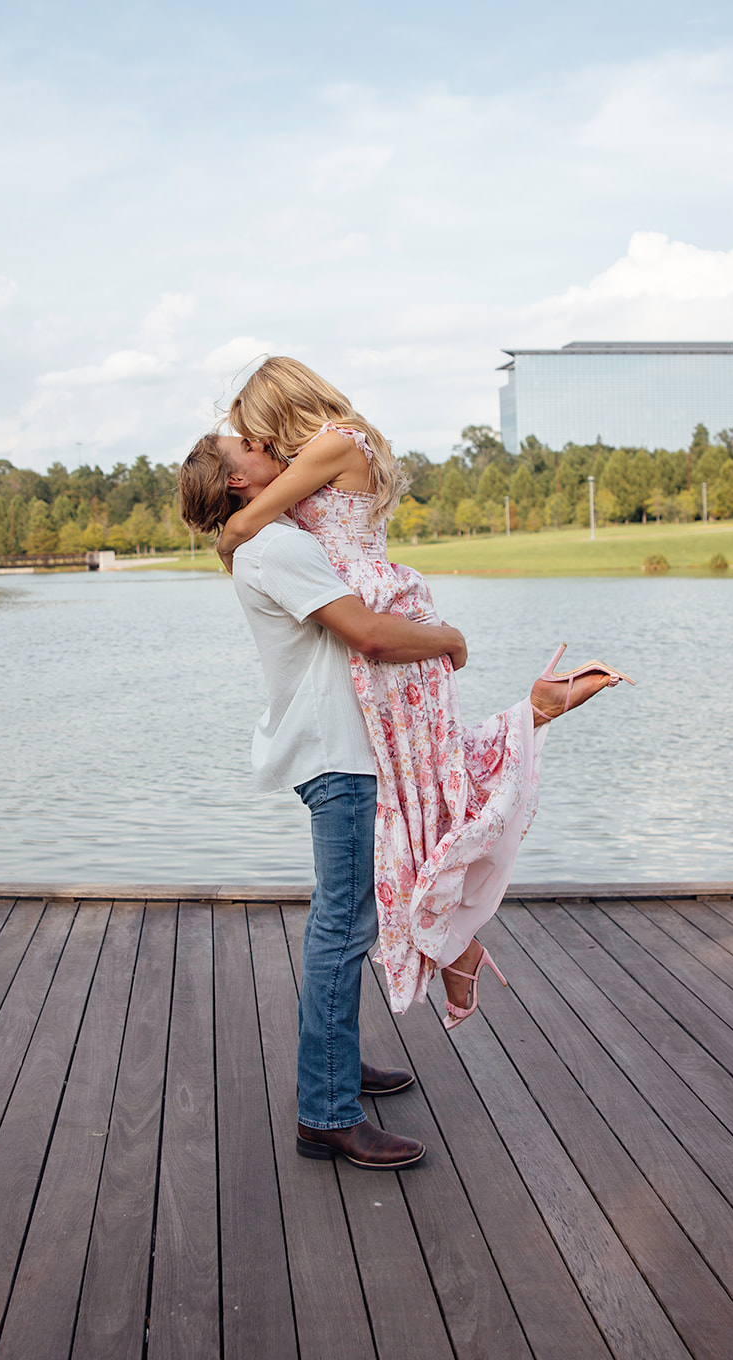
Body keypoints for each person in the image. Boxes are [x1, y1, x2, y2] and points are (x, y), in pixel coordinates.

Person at [216, 357, 633, 1025]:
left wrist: (235, 529)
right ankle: (454, 940)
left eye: (255, 431)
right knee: (421, 787)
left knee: (424, 786)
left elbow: (244, 525)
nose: (259, 445)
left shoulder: (334, 442)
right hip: (371, 610)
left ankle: (453, 939)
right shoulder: (338, 446)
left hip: (376, 611)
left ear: (276, 410)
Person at [179, 433, 471, 1170]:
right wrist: (449, 639)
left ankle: (336, 1068)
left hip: (338, 749)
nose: (264, 442)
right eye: (244, 445)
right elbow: (368, 635)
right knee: (342, 929)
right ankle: (327, 1112)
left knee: (345, 923)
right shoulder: (277, 548)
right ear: (238, 482)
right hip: (338, 755)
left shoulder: (278, 538)